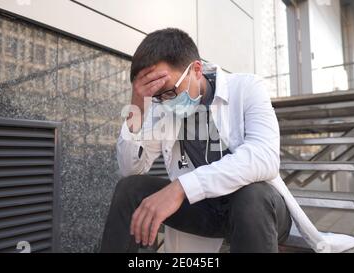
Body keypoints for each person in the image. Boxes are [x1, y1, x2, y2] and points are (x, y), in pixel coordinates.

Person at [100, 28, 292, 253]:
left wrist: (182, 188)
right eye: (156, 96)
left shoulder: (247, 87)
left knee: (251, 195)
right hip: (206, 211)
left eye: (170, 91)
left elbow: (264, 158)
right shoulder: (162, 107)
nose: (164, 101)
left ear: (197, 70)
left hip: (259, 212)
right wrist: (137, 106)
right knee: (129, 189)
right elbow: (130, 168)